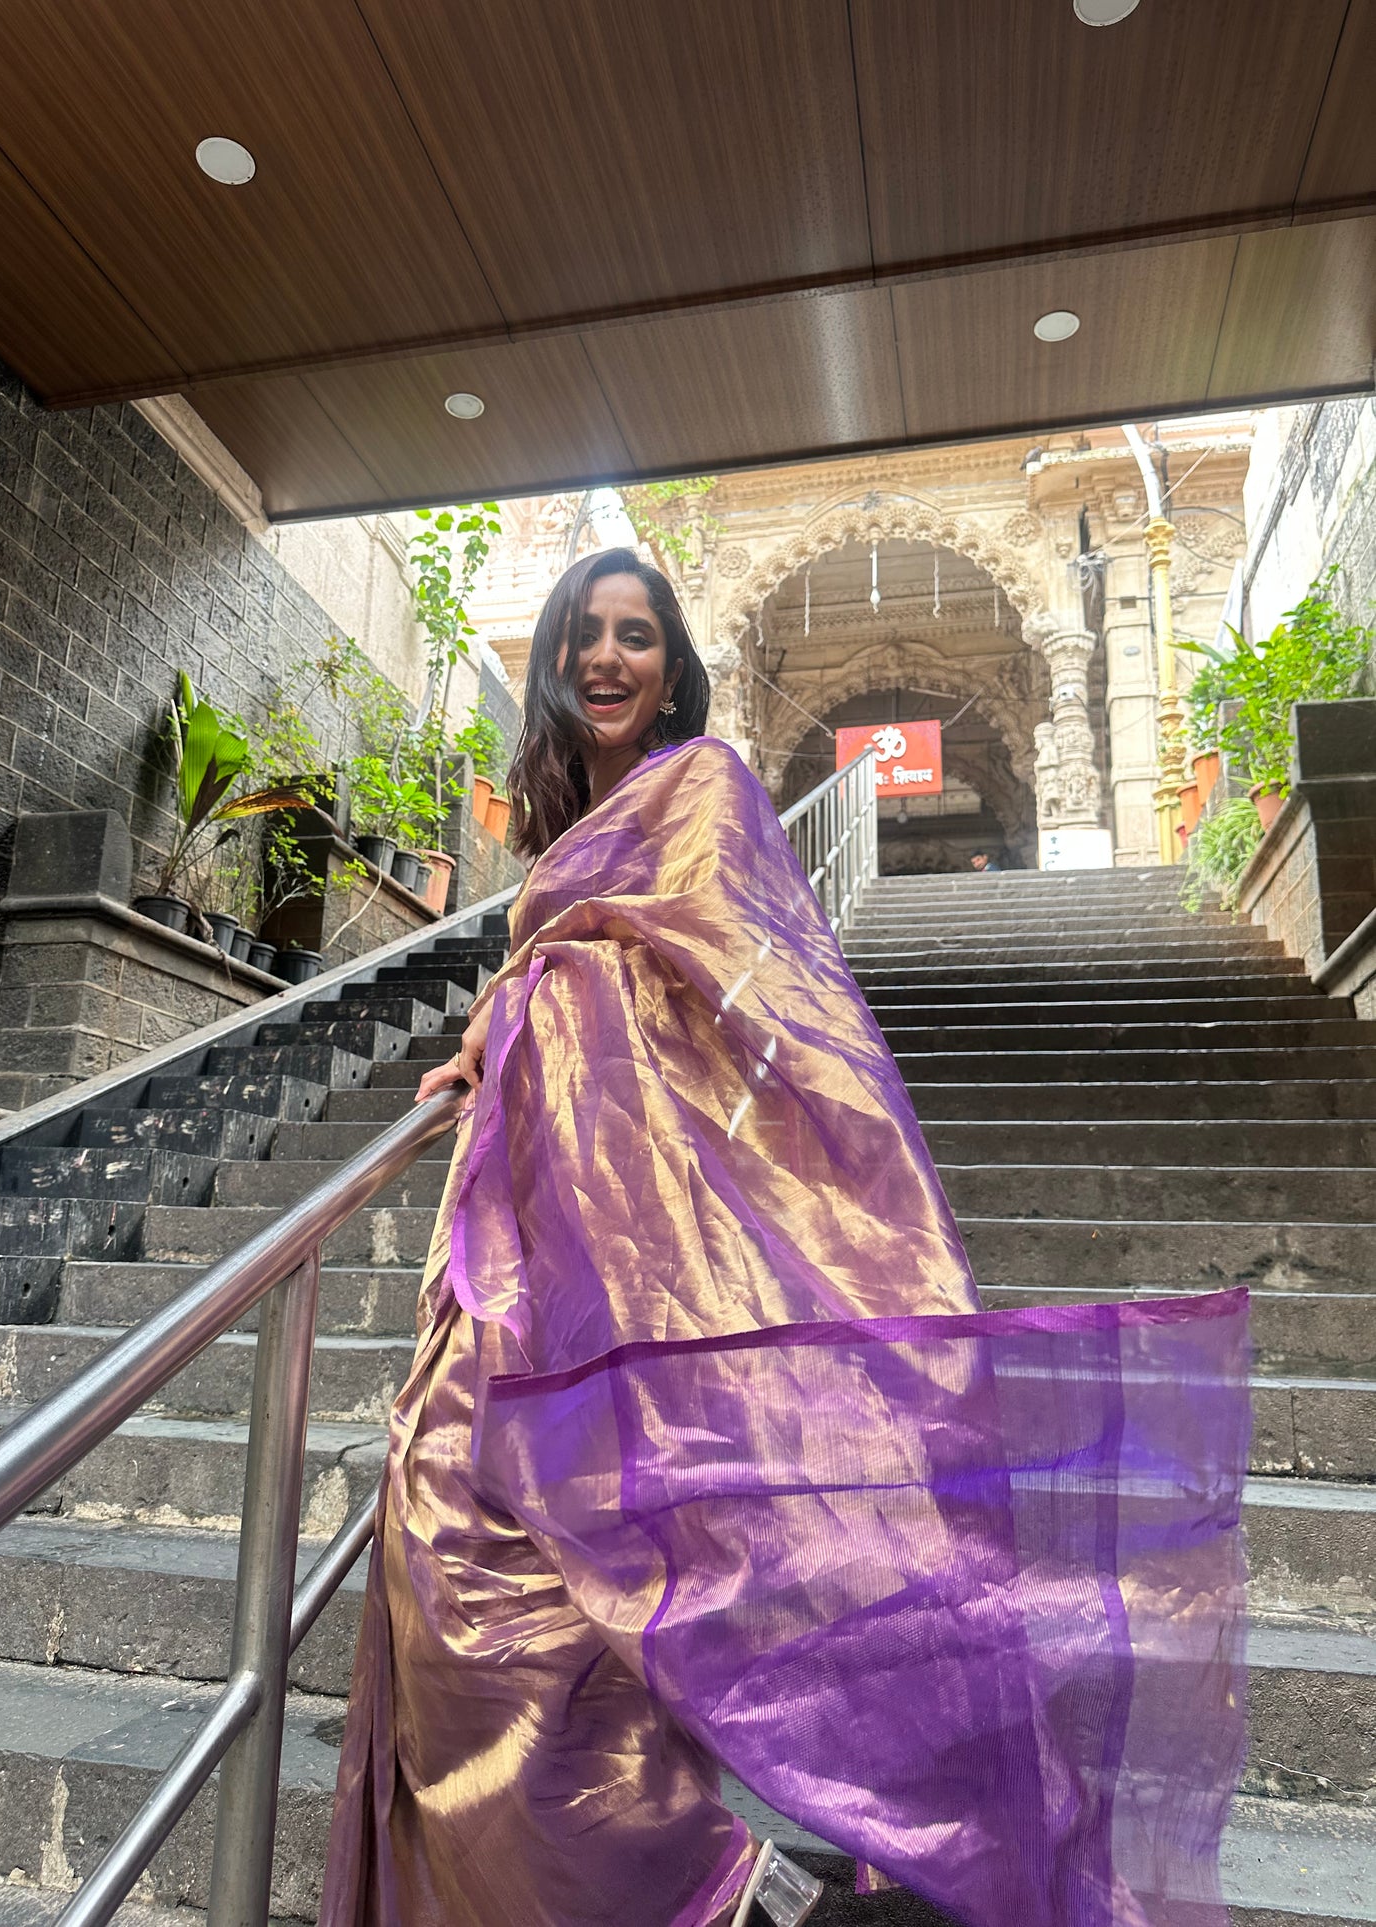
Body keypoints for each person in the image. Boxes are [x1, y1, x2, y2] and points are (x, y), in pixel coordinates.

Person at [320, 549, 1248, 1927]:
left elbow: (758, 996)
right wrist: (501, 1030)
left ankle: (706, 1889)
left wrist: (534, 991)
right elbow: (581, 958)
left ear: (676, 666)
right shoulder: (567, 826)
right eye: (584, 634)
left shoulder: (705, 788)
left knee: (541, 1587)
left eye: (637, 636)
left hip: (638, 1249)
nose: (607, 658)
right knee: (448, 1546)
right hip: (528, 1235)